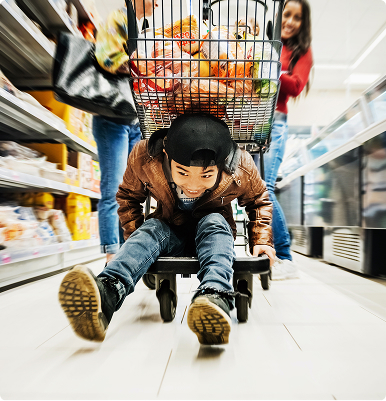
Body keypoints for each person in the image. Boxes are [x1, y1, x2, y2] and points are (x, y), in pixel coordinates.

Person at [58, 114, 275, 346]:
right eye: (182, 172)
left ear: (221, 165)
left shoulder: (240, 165)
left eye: (206, 175)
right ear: (166, 155)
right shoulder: (144, 156)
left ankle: (214, 297)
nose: (193, 185)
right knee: (152, 227)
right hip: (169, 229)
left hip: (215, 233)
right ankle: (106, 292)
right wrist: (138, 247)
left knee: (214, 221)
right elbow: (128, 197)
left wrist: (261, 240)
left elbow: (258, 200)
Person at [93, 0, 159, 265]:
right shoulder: (118, 19)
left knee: (131, 191)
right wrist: (144, 65)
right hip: (112, 118)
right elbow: (107, 57)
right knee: (112, 189)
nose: (156, 2)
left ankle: (129, 252)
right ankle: (112, 256)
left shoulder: (140, 28)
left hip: (133, 120)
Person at [255, 0, 313, 280]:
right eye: (286, 14)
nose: (290, 21)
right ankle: (263, 250)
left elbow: (296, 84)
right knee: (251, 190)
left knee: (264, 188)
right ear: (277, 16)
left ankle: (286, 258)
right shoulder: (264, 42)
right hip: (252, 119)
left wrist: (269, 68)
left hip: (275, 121)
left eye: (297, 17)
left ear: (303, 22)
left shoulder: (303, 52)